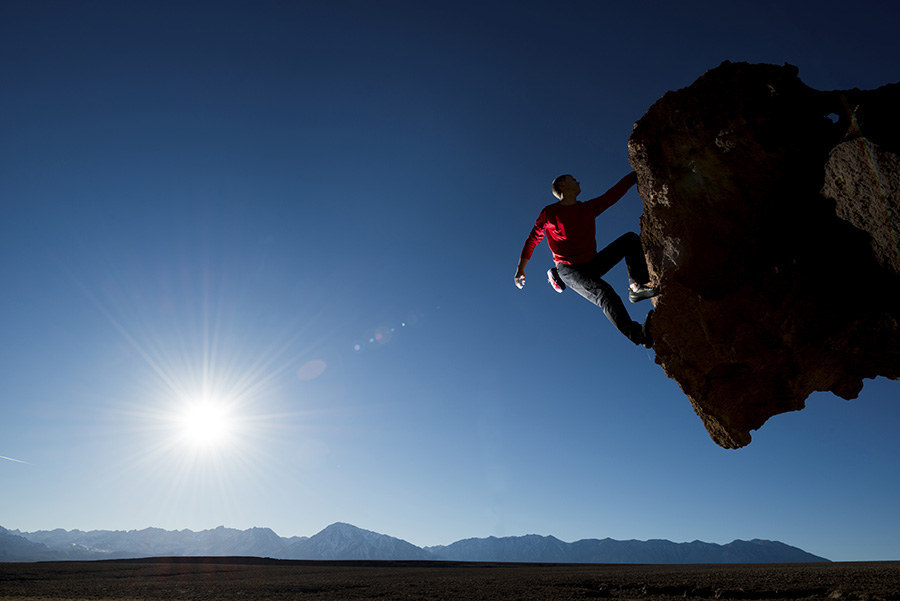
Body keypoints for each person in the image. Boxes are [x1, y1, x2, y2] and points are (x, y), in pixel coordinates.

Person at [514, 171, 658, 347]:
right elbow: (533, 238)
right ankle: (640, 336)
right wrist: (521, 268)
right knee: (605, 294)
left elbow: (611, 196)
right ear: (562, 186)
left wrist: (635, 174)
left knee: (630, 240)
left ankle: (636, 287)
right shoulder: (551, 212)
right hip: (569, 269)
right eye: (572, 179)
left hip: (591, 264)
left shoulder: (587, 209)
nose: (578, 181)